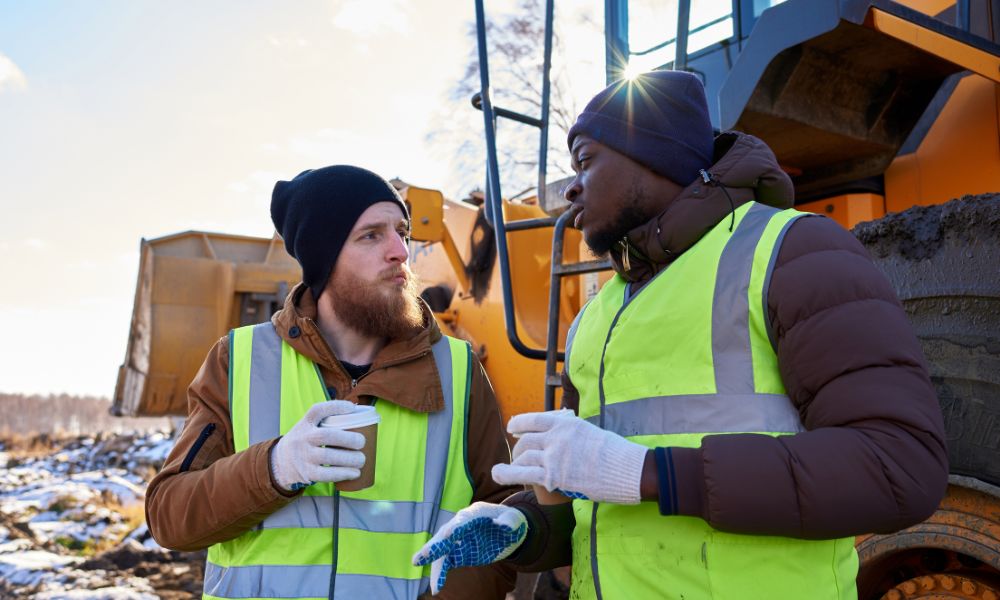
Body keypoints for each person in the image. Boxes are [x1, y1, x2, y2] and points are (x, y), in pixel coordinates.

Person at [413, 71, 948, 598]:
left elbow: (898, 466)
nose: (571, 186)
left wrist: (646, 471)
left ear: (655, 158)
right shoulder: (593, 321)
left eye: (585, 161)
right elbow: (597, 512)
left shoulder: (793, 253)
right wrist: (526, 530)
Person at [146, 165, 517, 599]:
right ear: (323, 258)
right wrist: (275, 467)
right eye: (371, 235)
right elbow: (169, 517)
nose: (400, 251)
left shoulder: (458, 368)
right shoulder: (241, 360)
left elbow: (501, 524)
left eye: (402, 231)